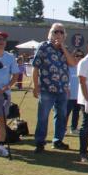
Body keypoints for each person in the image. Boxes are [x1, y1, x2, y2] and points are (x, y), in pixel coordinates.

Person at [32, 23, 75, 153]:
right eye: (56, 31)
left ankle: (58, 140)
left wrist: (62, 47)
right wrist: (35, 86)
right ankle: (40, 142)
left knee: (61, 116)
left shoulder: (65, 48)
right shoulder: (43, 47)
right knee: (43, 116)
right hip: (46, 88)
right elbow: (35, 67)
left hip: (62, 89)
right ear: (51, 33)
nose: (59, 34)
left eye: (62, 32)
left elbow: (72, 63)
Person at [66, 49, 85, 135]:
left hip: (79, 96)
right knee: (65, 113)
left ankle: (73, 128)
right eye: (77, 55)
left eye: (81, 56)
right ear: (73, 56)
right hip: (69, 95)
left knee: (76, 113)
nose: (79, 57)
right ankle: (63, 129)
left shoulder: (83, 68)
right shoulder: (68, 67)